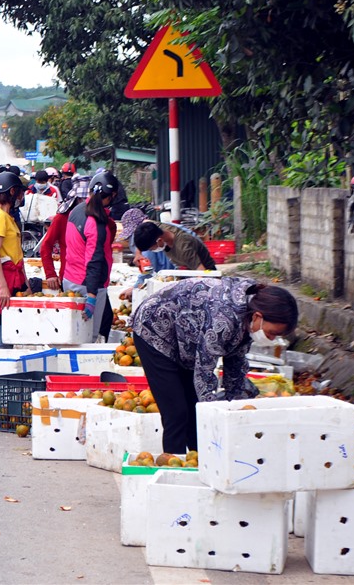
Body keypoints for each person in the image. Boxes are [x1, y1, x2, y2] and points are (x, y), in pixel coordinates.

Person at [131, 277, 299, 453]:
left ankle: (200, 459)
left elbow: (236, 363)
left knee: (193, 408)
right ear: (258, 317)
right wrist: (216, 414)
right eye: (272, 333)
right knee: (177, 411)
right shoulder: (224, 317)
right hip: (154, 329)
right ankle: (177, 465)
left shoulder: (249, 312)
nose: (271, 339)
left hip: (186, 338)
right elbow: (204, 371)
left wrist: (237, 408)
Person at [63, 172, 119, 341]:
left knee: (73, 336)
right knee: (88, 338)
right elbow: (94, 261)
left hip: (70, 280)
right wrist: (92, 297)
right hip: (88, 286)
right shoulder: (95, 222)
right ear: (111, 196)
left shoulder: (76, 211)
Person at [0, 171, 30, 348]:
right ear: (12, 192)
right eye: (20, 192)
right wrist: (3, 287)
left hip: (11, 278)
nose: (22, 196)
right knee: (0, 338)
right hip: (0, 281)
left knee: (8, 333)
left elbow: (15, 252)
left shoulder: (6, 216)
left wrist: (25, 284)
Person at [134, 220, 217, 271]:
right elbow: (145, 223)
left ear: (159, 241)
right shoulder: (156, 228)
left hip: (205, 273)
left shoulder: (183, 248)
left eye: (152, 249)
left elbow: (201, 272)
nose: (152, 251)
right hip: (186, 269)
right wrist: (138, 254)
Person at [40, 188, 81, 290]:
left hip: (93, 277)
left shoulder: (96, 219)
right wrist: (50, 273)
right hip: (69, 277)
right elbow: (46, 246)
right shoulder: (62, 218)